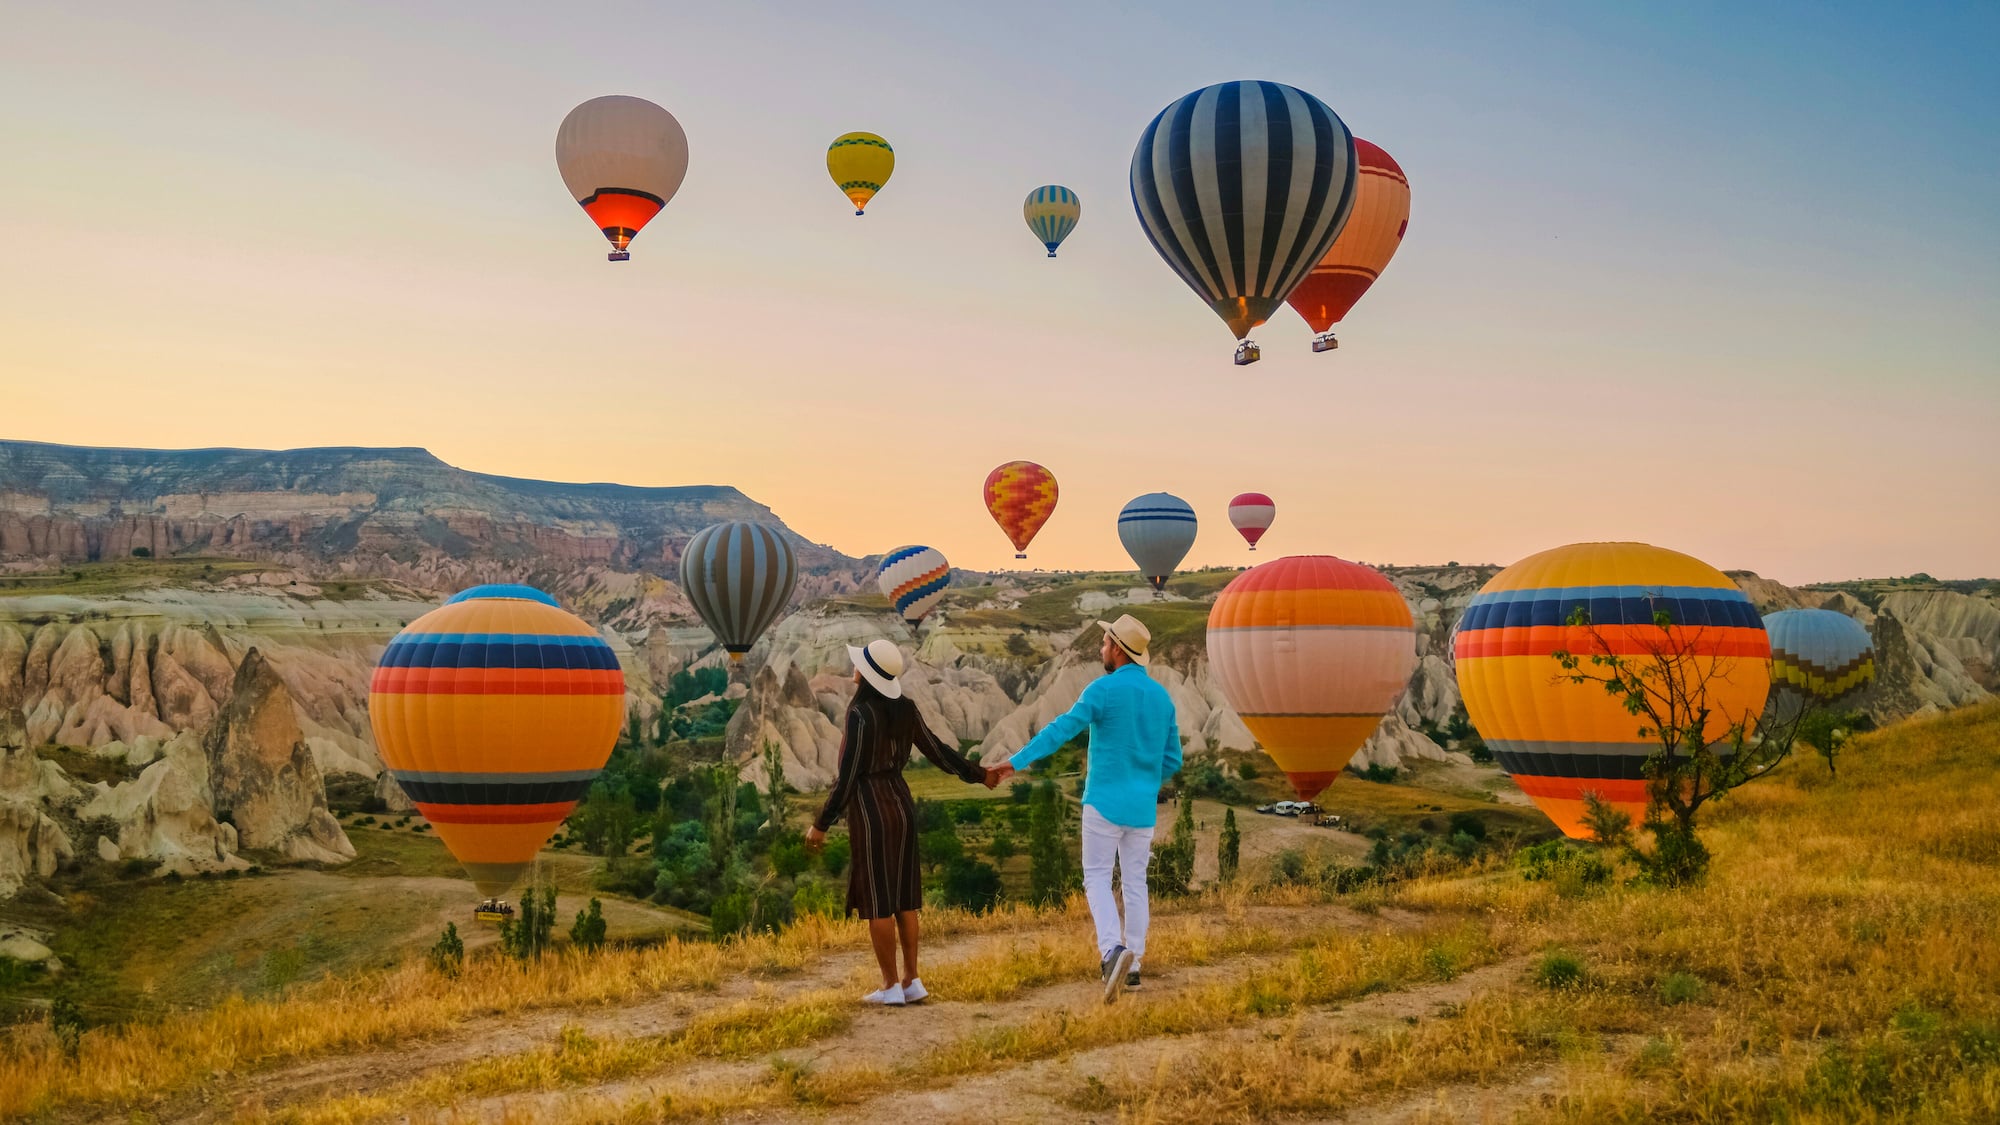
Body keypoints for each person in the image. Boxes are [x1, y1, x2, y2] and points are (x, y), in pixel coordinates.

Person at [989, 615, 1180, 1003]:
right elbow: (1172, 760)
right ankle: (1135, 964)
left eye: (1105, 642)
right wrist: (1144, 782)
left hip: (1103, 804)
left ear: (1116, 649)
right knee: (1135, 883)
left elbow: (1061, 729)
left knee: (1095, 877)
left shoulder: (1102, 690)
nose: (1100, 648)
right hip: (1142, 810)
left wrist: (1016, 762)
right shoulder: (1162, 698)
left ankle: (1112, 953)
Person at [807, 638, 994, 1006]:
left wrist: (821, 823)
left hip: (871, 809)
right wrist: (979, 774)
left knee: (878, 899)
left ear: (868, 676)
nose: (854, 668)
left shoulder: (860, 714)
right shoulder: (905, 709)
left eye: (859, 664)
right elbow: (937, 750)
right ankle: (912, 979)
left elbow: (848, 776)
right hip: (902, 805)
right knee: (904, 897)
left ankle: (890, 986)